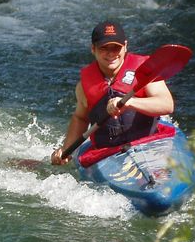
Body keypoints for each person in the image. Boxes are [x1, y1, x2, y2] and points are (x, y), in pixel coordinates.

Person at [51, 20, 174, 165]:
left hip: (148, 142)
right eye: (104, 48)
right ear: (93, 49)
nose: (111, 54)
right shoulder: (83, 86)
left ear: (125, 47)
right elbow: (81, 118)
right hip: (107, 154)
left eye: (116, 48)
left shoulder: (146, 71)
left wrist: (131, 102)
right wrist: (66, 150)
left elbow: (167, 104)